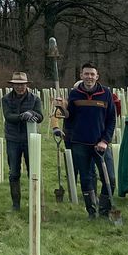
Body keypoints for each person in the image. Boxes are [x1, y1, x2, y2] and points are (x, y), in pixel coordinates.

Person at [54, 63, 117, 219]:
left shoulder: (106, 93)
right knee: (86, 178)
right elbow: (68, 117)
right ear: (81, 75)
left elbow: (111, 119)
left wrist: (105, 140)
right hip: (80, 144)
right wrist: (61, 107)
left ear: (97, 76)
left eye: (92, 74)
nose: (89, 77)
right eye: (86, 74)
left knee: (110, 177)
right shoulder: (75, 93)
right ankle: (91, 211)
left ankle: (104, 210)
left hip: (100, 144)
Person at [1, 71, 44, 210]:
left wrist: (32, 113)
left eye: (22, 84)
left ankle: (35, 202)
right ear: (12, 85)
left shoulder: (35, 99)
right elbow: (8, 116)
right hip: (13, 139)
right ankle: (16, 204)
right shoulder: (6, 99)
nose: (20, 87)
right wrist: (22, 116)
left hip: (30, 140)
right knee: (14, 172)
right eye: (17, 85)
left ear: (26, 84)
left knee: (33, 171)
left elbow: (40, 116)